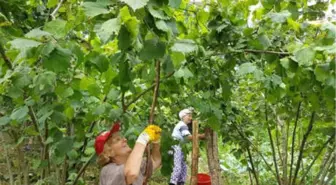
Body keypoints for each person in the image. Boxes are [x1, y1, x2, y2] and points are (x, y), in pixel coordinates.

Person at [95, 121, 162, 185]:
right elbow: (131, 173)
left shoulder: (134, 165)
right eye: (117, 140)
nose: (125, 140)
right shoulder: (108, 171)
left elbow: (155, 160)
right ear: (108, 152)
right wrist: (143, 139)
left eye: (121, 138)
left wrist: (156, 142)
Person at [169, 108, 205, 185]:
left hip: (180, 148)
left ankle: (180, 182)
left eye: (191, 116)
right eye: (189, 116)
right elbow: (189, 137)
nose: (190, 118)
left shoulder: (184, 125)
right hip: (176, 147)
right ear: (183, 116)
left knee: (183, 167)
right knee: (178, 167)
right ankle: (173, 182)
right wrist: (201, 136)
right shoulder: (182, 125)